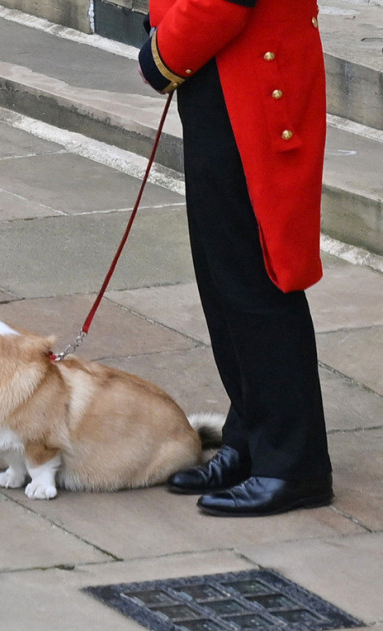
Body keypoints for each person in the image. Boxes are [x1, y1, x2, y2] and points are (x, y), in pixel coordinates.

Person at [137, 0, 333, 516]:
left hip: (251, 79)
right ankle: (251, 437)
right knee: (223, 279)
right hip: (221, 75)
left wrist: (160, 53)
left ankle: (295, 464)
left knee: (257, 281)